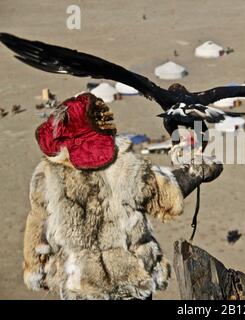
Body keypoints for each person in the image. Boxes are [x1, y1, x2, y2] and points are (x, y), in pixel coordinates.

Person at [23, 93, 223, 300]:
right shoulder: (125, 167)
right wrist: (199, 172)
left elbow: (36, 224)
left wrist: (36, 270)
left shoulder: (45, 175)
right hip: (132, 282)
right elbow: (168, 199)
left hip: (77, 284)